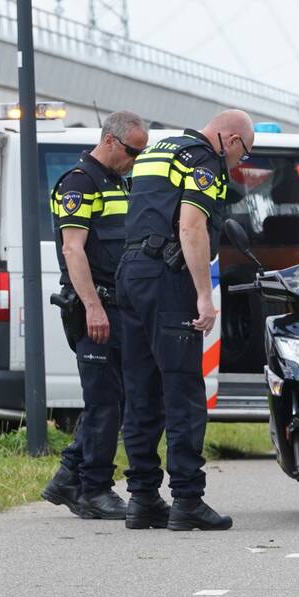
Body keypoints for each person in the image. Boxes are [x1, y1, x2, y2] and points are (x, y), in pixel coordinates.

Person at [116, 110, 254, 531]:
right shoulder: (204, 161)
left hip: (131, 273)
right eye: (244, 153)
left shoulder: (158, 150)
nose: (239, 162)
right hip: (166, 278)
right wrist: (203, 296)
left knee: (141, 390)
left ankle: (142, 499)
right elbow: (191, 227)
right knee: (183, 391)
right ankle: (188, 500)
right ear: (232, 139)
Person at [40, 111, 148, 520]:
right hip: (95, 306)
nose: (135, 160)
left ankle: (69, 477)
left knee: (114, 399)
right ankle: (94, 490)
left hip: (117, 306)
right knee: (103, 401)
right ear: (109, 141)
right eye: (132, 151)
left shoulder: (117, 181)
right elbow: (73, 250)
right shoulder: (79, 183)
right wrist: (93, 307)